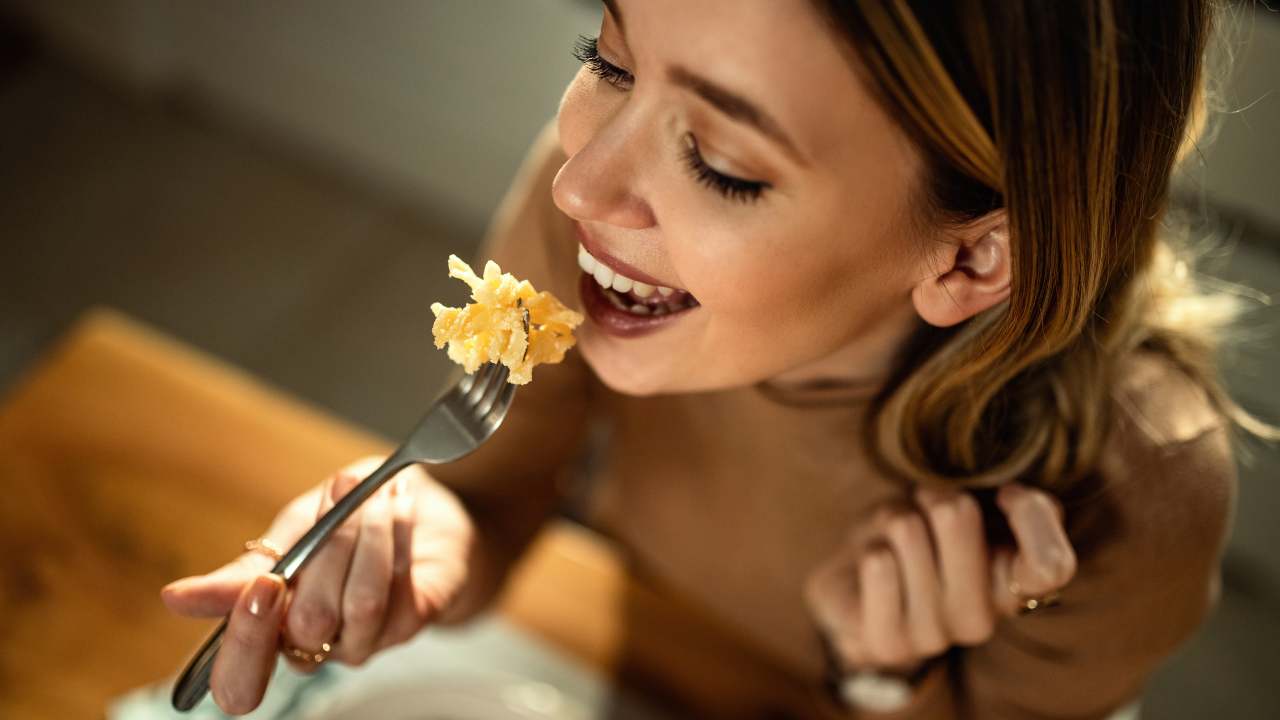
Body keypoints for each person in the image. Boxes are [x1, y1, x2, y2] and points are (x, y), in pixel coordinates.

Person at [163, 0, 1267, 716]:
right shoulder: (601, 225)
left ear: (974, 257)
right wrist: (434, 531)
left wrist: (882, 679)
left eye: (724, 164)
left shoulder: (1134, 481)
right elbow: (497, 495)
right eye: (604, 58)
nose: (577, 186)